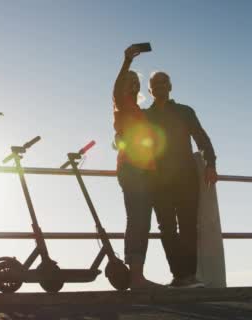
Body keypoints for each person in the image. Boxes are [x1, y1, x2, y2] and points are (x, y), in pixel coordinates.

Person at [144, 71, 218, 288]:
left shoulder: (184, 111)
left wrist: (211, 164)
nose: (159, 86)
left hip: (185, 178)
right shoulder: (146, 116)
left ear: (170, 87)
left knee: (187, 227)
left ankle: (190, 276)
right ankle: (179, 275)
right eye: (155, 83)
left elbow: (201, 138)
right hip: (158, 181)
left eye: (163, 82)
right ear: (150, 89)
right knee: (166, 228)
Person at [112, 44, 161, 290]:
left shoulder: (138, 111)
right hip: (132, 170)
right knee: (138, 220)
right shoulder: (122, 104)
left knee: (142, 221)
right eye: (128, 81)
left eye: (135, 82)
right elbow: (117, 87)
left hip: (144, 171)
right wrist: (127, 62)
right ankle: (136, 278)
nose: (132, 84)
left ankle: (136, 275)